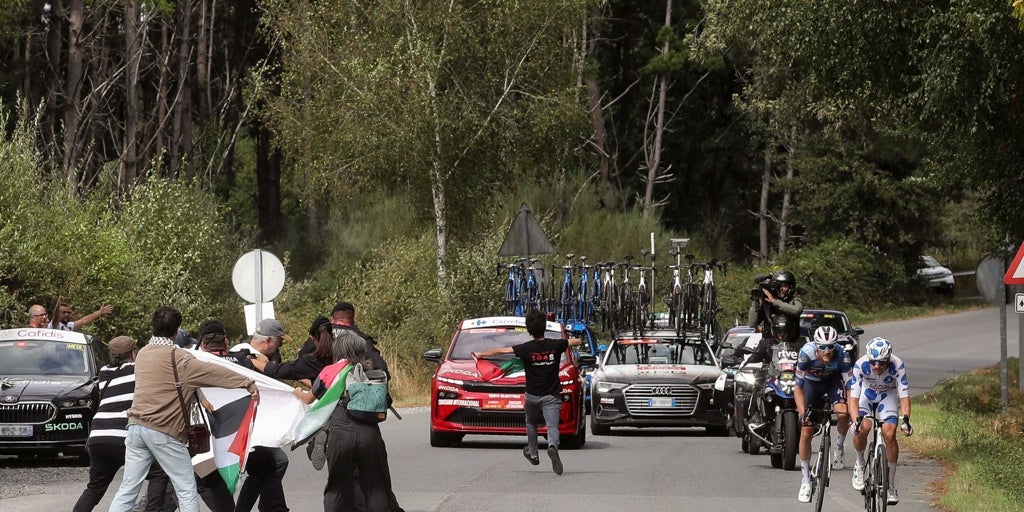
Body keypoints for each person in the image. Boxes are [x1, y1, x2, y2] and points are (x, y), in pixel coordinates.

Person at [107, 306, 260, 512]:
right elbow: (213, 373)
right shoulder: (180, 358)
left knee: (127, 489)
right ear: (177, 330)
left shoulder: (142, 354)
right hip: (163, 432)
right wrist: (246, 382)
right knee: (186, 488)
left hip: (135, 429)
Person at [293, 328, 403, 512]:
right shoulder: (371, 370)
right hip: (369, 434)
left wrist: (297, 392)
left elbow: (309, 398)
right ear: (361, 350)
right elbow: (386, 400)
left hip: (340, 433)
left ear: (337, 351)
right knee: (376, 487)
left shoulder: (329, 371)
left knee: (338, 488)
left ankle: (319, 437)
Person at [472, 308, 583, 475]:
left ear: (529, 330)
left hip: (532, 396)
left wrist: (480, 354)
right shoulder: (556, 345)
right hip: (551, 395)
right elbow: (576, 342)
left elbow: (501, 351)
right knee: (552, 426)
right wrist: (574, 339)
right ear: (544, 327)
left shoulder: (525, 348)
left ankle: (533, 453)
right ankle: (552, 446)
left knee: (531, 423)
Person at [230, 318, 292, 512]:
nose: (280, 346)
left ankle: (267, 505)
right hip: (245, 425)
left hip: (257, 424)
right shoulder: (242, 357)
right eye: (279, 341)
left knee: (266, 469)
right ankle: (268, 506)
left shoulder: (259, 356)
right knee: (273, 464)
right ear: (268, 341)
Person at [72, 336, 139, 512]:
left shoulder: (104, 372)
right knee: (158, 475)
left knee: (94, 489)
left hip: (98, 437)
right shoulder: (137, 369)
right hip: (122, 436)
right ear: (133, 353)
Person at [793, 325, 854, 503]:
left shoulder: (843, 355)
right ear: (816, 345)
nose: (827, 351)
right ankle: (805, 480)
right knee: (806, 431)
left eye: (830, 347)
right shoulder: (806, 354)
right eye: (822, 347)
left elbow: (850, 388)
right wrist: (803, 413)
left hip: (832, 383)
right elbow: (797, 389)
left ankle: (839, 448)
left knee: (843, 415)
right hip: (811, 385)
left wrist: (851, 411)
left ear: (836, 345)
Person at [850, 337, 913, 505]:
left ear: (888, 359)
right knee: (862, 428)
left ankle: (890, 485)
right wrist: (855, 420)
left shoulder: (897, 365)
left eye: (881, 362)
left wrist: (906, 419)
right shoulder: (860, 365)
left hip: (888, 395)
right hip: (866, 395)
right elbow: (853, 399)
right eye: (873, 362)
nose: (876, 366)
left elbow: (904, 396)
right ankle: (860, 462)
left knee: (890, 434)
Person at [747, 269, 803, 340]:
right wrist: (755, 300)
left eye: (784, 286)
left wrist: (774, 302)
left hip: (790, 345)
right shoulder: (766, 303)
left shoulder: (794, 301)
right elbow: (752, 324)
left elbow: (797, 310)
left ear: (790, 287)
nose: (781, 289)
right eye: (778, 286)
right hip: (768, 344)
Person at [49, 301, 115, 331]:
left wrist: (99, 313)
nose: (66, 314)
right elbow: (55, 319)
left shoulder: (69, 326)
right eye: (63, 312)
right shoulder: (55, 325)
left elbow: (84, 321)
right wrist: (57, 308)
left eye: (68, 312)